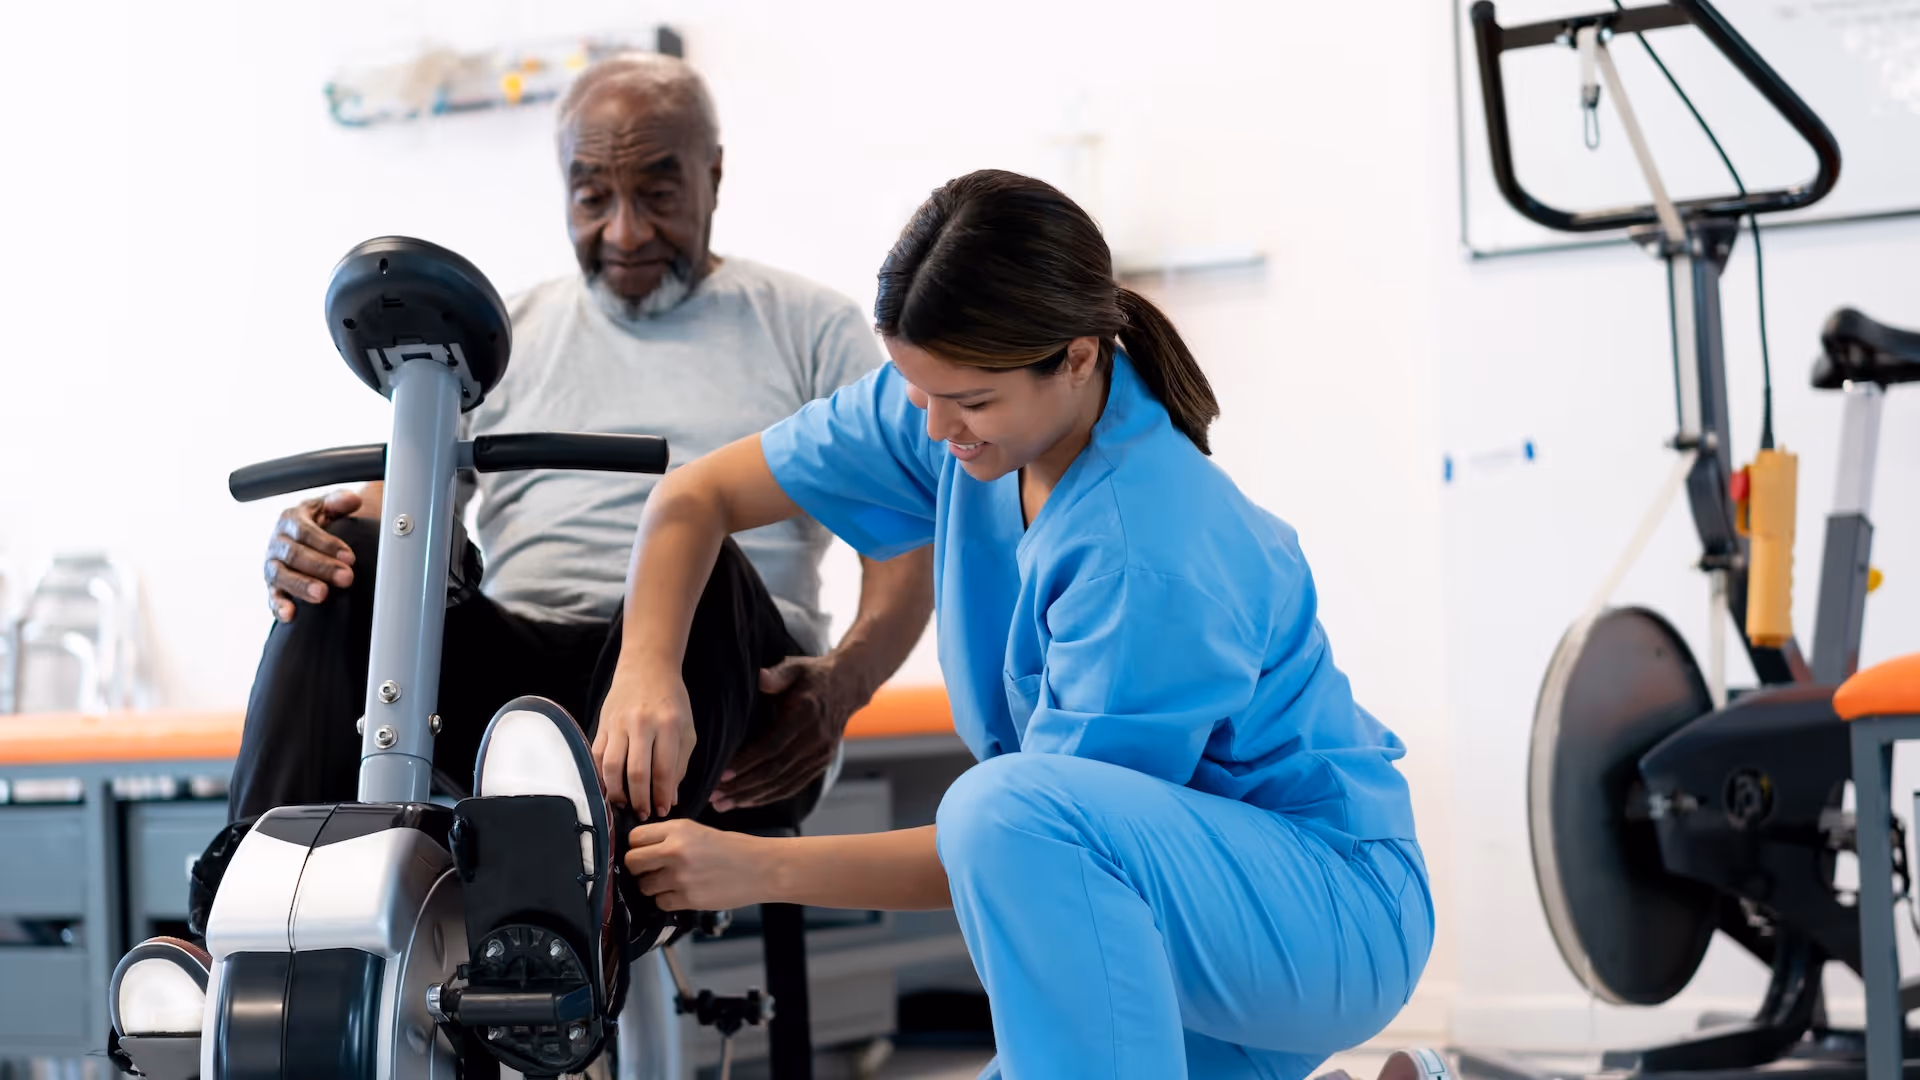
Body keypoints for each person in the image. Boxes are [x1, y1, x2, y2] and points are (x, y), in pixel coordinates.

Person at [593, 170, 1433, 1079]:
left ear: (1076, 356)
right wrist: (647, 671)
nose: (937, 425)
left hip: (1320, 923)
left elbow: (1029, 838)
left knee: (1004, 804)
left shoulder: (1144, 549)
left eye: (971, 402)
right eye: (918, 389)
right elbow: (695, 497)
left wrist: (754, 871)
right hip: (1185, 917)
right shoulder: (948, 406)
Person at [230, 52, 934, 835]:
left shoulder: (811, 328)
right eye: (593, 197)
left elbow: (905, 549)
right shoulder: (498, 334)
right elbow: (401, 510)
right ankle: (254, 906)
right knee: (354, 556)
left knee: (702, 554)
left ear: (715, 176)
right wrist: (317, 542)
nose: (625, 232)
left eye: (659, 194)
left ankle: (598, 910)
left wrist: (843, 684)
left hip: (733, 693)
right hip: (525, 683)